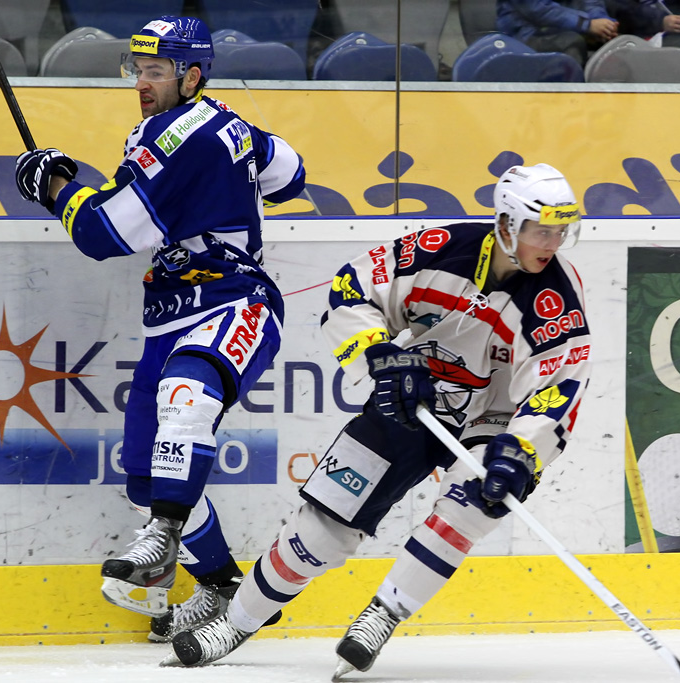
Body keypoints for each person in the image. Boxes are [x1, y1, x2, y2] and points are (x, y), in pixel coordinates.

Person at [162, 164, 592, 675]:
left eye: (561, 230)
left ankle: (382, 615)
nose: (553, 243)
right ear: (505, 224)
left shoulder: (558, 299)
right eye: (542, 230)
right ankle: (236, 622)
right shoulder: (439, 249)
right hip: (415, 398)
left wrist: (521, 451)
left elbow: (559, 388)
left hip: (494, 420)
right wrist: (382, 355)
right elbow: (352, 289)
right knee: (323, 529)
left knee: (472, 503)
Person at [12, 15, 306, 642]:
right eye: (137, 69)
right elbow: (290, 172)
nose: (141, 82)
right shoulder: (219, 121)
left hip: (233, 301)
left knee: (186, 398)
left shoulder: (175, 135)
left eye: (156, 71)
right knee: (147, 479)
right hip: (168, 318)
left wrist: (55, 186)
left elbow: (103, 233)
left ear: (192, 75)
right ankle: (221, 587)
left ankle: (162, 541)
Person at [496, 0, 618, 66]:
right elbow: (537, 10)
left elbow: (591, 3)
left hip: (573, 28)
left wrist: (604, 25)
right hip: (526, 35)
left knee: (615, 45)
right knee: (571, 43)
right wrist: (587, 24)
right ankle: (570, 98)